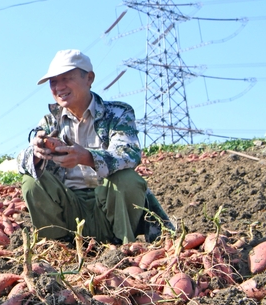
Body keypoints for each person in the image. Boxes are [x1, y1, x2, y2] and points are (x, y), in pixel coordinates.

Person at [16, 49, 169, 245]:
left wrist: (86, 157)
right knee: (31, 180)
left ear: (89, 78)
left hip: (109, 204)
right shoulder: (50, 121)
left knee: (127, 178)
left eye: (66, 78)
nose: (59, 87)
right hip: (71, 209)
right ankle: (60, 246)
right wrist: (36, 154)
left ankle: (123, 246)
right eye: (53, 82)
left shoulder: (117, 113)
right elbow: (21, 162)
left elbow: (129, 154)